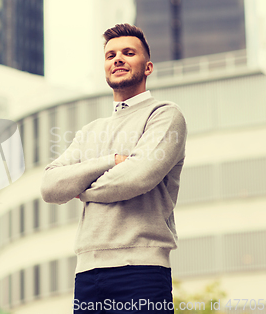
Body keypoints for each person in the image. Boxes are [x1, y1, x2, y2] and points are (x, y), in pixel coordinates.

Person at [40, 23, 187, 314]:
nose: (117, 59)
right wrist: (111, 161)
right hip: (87, 274)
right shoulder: (90, 131)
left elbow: (137, 177)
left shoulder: (164, 115)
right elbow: (50, 187)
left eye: (128, 53)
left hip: (142, 270)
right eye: (110, 55)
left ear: (148, 67)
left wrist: (82, 189)